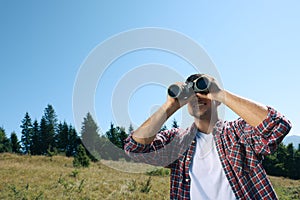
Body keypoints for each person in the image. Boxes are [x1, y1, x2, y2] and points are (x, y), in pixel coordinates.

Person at [124, 74, 292, 200]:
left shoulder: (237, 133)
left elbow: (277, 126)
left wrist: (220, 93)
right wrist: (170, 105)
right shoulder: (177, 142)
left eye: (203, 90)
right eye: (190, 94)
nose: (197, 96)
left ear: (217, 100)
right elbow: (135, 148)